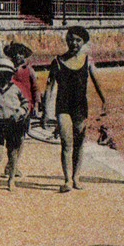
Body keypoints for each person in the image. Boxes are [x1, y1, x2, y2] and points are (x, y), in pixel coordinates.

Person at [43, 26, 108, 193]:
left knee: (79, 143)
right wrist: (45, 112)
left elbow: (97, 81)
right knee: (66, 143)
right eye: (71, 39)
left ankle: (76, 177)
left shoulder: (88, 61)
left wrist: (104, 100)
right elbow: (49, 88)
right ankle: (66, 180)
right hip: (63, 106)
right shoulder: (57, 62)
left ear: (83, 42)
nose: (74, 43)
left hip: (80, 107)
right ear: (67, 40)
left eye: (78, 40)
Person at [0, 57, 30, 194]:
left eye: (6, 74)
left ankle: (11, 180)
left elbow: (26, 104)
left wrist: (20, 113)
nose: (2, 77)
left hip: (13, 123)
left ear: (11, 75)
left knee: (12, 153)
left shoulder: (17, 89)